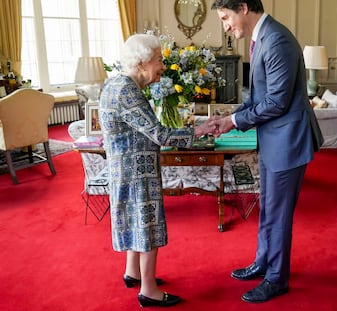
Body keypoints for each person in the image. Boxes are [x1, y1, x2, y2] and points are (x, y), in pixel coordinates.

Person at [210, 0, 323, 304]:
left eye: (226, 17)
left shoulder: (278, 40)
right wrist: (228, 118)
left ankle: (277, 278)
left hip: (289, 142)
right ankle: (263, 262)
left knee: (279, 214)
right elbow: (257, 96)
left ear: (243, 7)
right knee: (269, 209)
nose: (226, 26)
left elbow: (275, 103)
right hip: (274, 140)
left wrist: (233, 122)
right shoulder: (262, 38)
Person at [98, 34, 214, 308]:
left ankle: (133, 273)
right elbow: (159, 135)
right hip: (137, 173)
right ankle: (148, 291)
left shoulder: (117, 83)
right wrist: (199, 130)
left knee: (136, 221)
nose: (162, 65)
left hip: (125, 169)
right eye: (159, 59)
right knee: (147, 225)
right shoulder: (126, 90)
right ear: (142, 62)